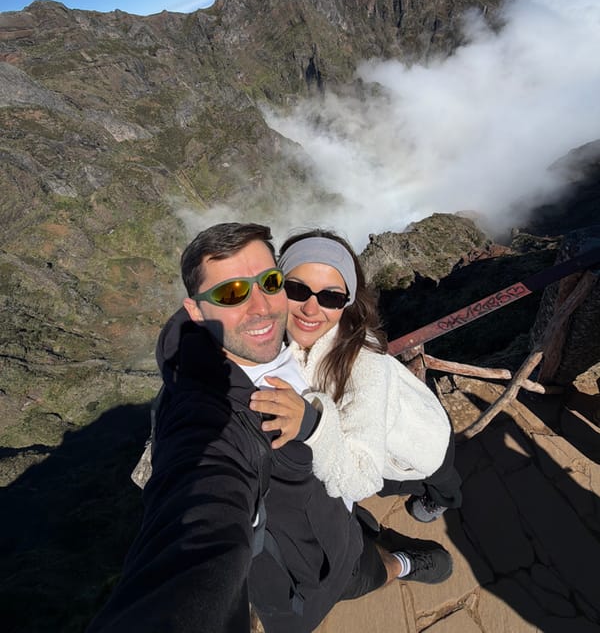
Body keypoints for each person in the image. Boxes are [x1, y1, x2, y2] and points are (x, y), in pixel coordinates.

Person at [87, 222, 452, 633]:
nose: (261, 306)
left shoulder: (288, 337)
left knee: (364, 559)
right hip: (301, 571)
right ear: (195, 310)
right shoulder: (213, 411)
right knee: (356, 579)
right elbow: (204, 500)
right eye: (230, 293)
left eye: (270, 282)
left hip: (337, 517)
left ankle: (398, 560)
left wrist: (315, 424)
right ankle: (400, 563)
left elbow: (356, 459)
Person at [249, 229, 462, 522]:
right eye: (297, 289)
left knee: (443, 480)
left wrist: (313, 428)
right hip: (404, 426)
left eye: (330, 297)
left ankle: (442, 502)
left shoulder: (364, 362)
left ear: (347, 301)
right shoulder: (291, 339)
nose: (311, 309)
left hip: (421, 443)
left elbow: (363, 479)